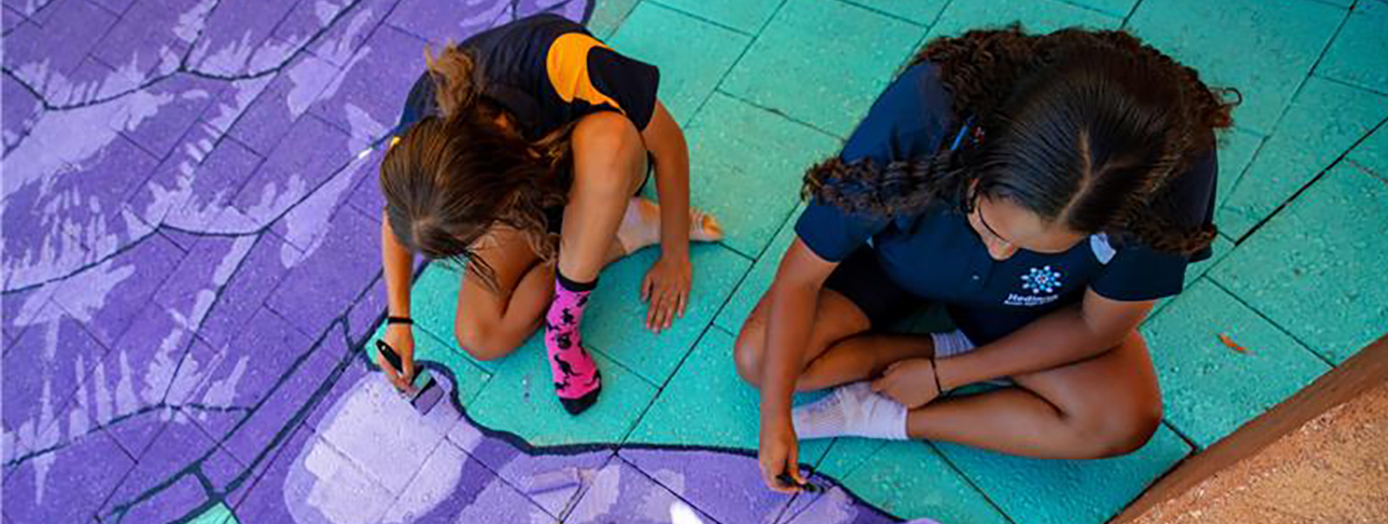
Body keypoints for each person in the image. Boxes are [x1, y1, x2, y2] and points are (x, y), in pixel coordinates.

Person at [733, 27, 1235, 493]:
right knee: (761, 360)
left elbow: (1097, 326)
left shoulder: (1171, 172)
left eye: (1034, 244)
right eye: (989, 225)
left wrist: (945, 376)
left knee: (1122, 419)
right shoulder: (931, 105)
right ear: (978, 161)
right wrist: (772, 418)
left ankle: (890, 415)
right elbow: (801, 277)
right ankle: (946, 343)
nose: (998, 251)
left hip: (1030, 306)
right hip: (896, 266)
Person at [377, 13, 722, 415]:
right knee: (480, 335)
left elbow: (669, 146)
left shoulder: (561, 57)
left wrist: (675, 255)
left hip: (606, 173)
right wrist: (399, 321)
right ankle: (625, 232)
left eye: (478, 231)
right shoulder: (419, 134)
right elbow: (400, 218)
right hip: (526, 193)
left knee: (607, 140)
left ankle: (565, 321)